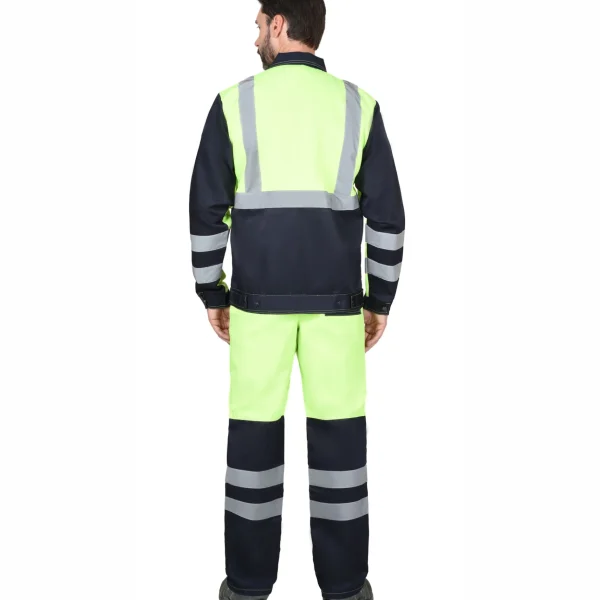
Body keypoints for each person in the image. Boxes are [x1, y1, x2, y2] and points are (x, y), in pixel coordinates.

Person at [189, 1, 405, 598]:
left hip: (255, 309)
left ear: (280, 25)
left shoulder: (234, 103)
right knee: (341, 457)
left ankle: (247, 587)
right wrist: (379, 299)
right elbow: (388, 218)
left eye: (259, 24)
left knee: (252, 454)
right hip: (339, 310)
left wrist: (212, 291)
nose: (255, 35)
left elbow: (206, 210)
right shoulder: (359, 106)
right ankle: (346, 588)